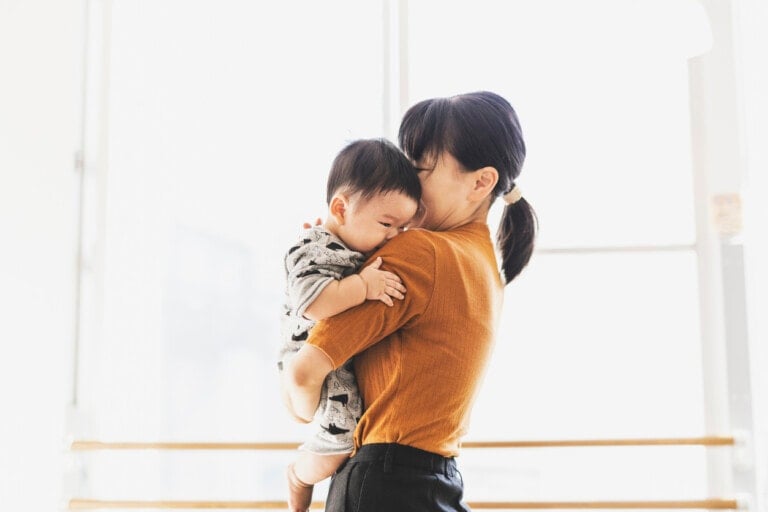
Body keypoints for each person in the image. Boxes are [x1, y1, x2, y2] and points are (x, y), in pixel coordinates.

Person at [281, 91, 537, 511]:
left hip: (382, 485)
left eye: (419, 169)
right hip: (439, 481)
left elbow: (303, 374)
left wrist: (301, 416)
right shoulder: (487, 269)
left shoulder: (421, 252)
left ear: (481, 181)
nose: (404, 184)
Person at [279, 138, 422, 511]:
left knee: (347, 436)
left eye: (402, 228)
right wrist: (362, 286)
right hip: (309, 357)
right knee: (338, 445)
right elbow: (313, 304)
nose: (393, 236)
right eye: (387, 224)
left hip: (334, 361)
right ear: (340, 208)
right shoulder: (311, 247)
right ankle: (298, 474)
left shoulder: (353, 246)